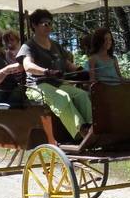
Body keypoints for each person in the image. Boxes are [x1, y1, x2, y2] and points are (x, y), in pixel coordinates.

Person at [18, 9, 93, 140]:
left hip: (58, 84)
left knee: (82, 95)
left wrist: (82, 71)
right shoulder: (29, 46)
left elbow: (67, 63)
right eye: (44, 23)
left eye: (50, 23)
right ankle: (82, 131)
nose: (48, 26)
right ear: (34, 25)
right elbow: (28, 66)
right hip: (37, 86)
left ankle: (92, 129)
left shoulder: (55, 45)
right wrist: (46, 72)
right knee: (62, 97)